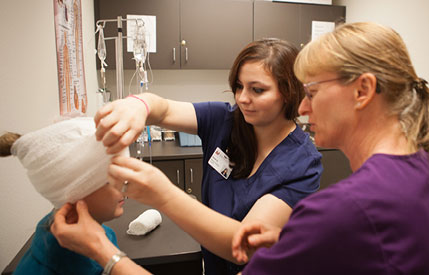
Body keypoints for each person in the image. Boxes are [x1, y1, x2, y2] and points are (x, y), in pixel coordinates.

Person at [53, 38, 323, 275]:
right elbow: (164, 110)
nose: (242, 98)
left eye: (257, 90)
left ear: (288, 93)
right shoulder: (223, 120)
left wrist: (163, 194)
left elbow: (242, 245)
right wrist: (138, 104)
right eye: (238, 86)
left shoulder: (303, 162)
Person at [231, 22, 429, 274]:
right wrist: (301, 241)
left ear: (362, 90)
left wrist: (318, 231)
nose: (302, 108)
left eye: (312, 92)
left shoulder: (346, 207)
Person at [0, 117, 130, 275]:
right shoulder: (39, 270)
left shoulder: (106, 235)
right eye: (111, 180)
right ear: (75, 193)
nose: (126, 182)